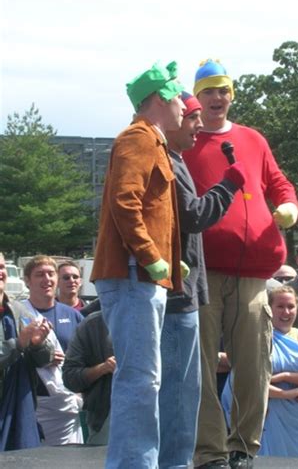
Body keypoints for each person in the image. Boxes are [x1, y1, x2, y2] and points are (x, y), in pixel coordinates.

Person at [182, 59, 298, 469]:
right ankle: (210, 451)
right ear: (197, 97)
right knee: (199, 370)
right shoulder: (186, 141)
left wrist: (287, 205)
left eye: (224, 90)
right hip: (202, 274)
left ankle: (243, 447)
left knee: (254, 365)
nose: (217, 98)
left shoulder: (253, 139)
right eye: (209, 90)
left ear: (232, 94)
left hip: (253, 275)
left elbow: (278, 181)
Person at [90, 60, 184, 469]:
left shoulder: (150, 140)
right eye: (178, 95)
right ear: (161, 98)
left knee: (142, 380)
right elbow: (124, 202)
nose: (184, 103)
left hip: (137, 278)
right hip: (134, 276)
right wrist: (151, 256)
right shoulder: (139, 138)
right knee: (140, 381)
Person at [159, 92, 244, 468]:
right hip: (177, 300)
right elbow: (193, 216)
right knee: (180, 390)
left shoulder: (176, 159)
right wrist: (227, 187)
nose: (198, 127)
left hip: (187, 294)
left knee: (188, 388)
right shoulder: (168, 161)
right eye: (192, 118)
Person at [221, 286, 298, 458]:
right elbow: (243, 379)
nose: (286, 312)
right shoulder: (255, 339)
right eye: (280, 306)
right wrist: (285, 393)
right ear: (269, 308)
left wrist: (285, 376)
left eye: (291, 306)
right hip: (261, 420)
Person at [21, 255, 84, 446]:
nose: (46, 279)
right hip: (29, 404)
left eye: (51, 274)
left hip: (67, 408)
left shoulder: (73, 315)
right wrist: (40, 356)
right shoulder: (17, 313)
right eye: (40, 274)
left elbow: (87, 358)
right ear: (27, 281)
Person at [0, 252, 54, 450]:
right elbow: (19, 345)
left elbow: (43, 359)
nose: (1, 272)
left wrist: (39, 344)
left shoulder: (18, 311)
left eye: (2, 267)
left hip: (18, 411)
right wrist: (19, 343)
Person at [62, 310, 114, 445]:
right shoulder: (91, 325)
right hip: (104, 423)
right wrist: (104, 368)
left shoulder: (160, 318)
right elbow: (70, 377)